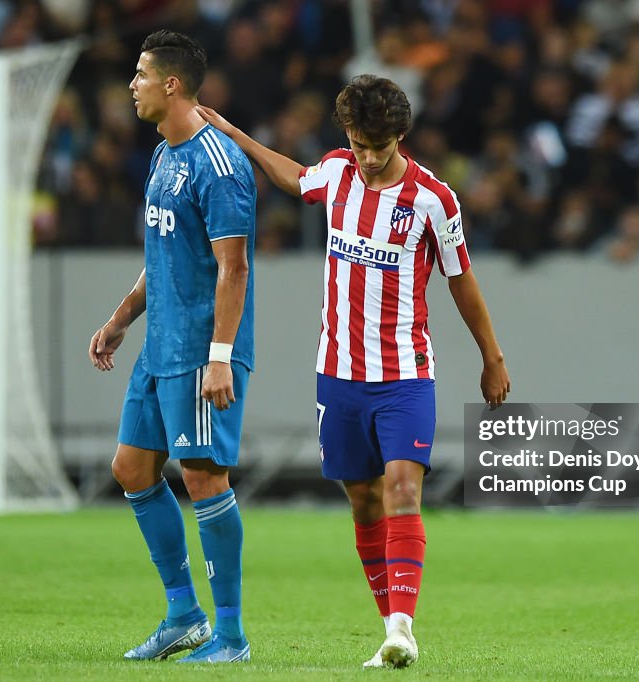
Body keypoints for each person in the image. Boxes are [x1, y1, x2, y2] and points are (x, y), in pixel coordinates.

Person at [197, 74, 510, 669]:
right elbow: (295, 177)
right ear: (348, 135)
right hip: (337, 373)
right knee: (363, 501)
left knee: (400, 488)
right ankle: (389, 625)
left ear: (401, 136)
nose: (369, 158)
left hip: (404, 374)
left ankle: (401, 628)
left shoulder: (433, 201)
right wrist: (237, 136)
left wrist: (490, 356)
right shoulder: (338, 172)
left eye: (380, 147)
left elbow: (461, 280)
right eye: (360, 145)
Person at [87, 30, 255, 665]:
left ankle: (232, 636)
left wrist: (219, 354)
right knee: (131, 469)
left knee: (204, 477)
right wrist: (121, 318)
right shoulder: (164, 156)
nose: (131, 85)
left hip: (200, 351)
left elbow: (232, 269)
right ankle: (184, 615)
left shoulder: (219, 165)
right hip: (159, 347)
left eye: (140, 74)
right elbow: (161, 258)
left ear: (171, 84)